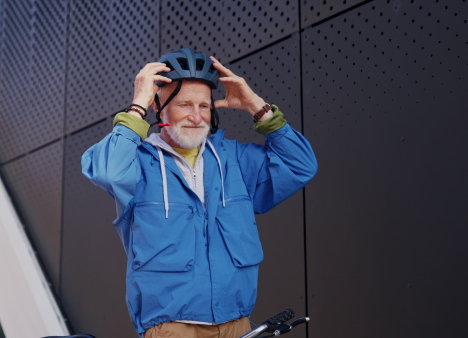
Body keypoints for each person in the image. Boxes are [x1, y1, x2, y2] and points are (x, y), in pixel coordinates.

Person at [81, 48, 317, 337]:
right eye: (184, 104)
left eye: (204, 106)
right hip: (171, 327)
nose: (196, 116)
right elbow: (107, 171)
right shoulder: (138, 161)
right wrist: (137, 105)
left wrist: (257, 106)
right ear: (159, 107)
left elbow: (301, 165)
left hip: (237, 323)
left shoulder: (234, 159)